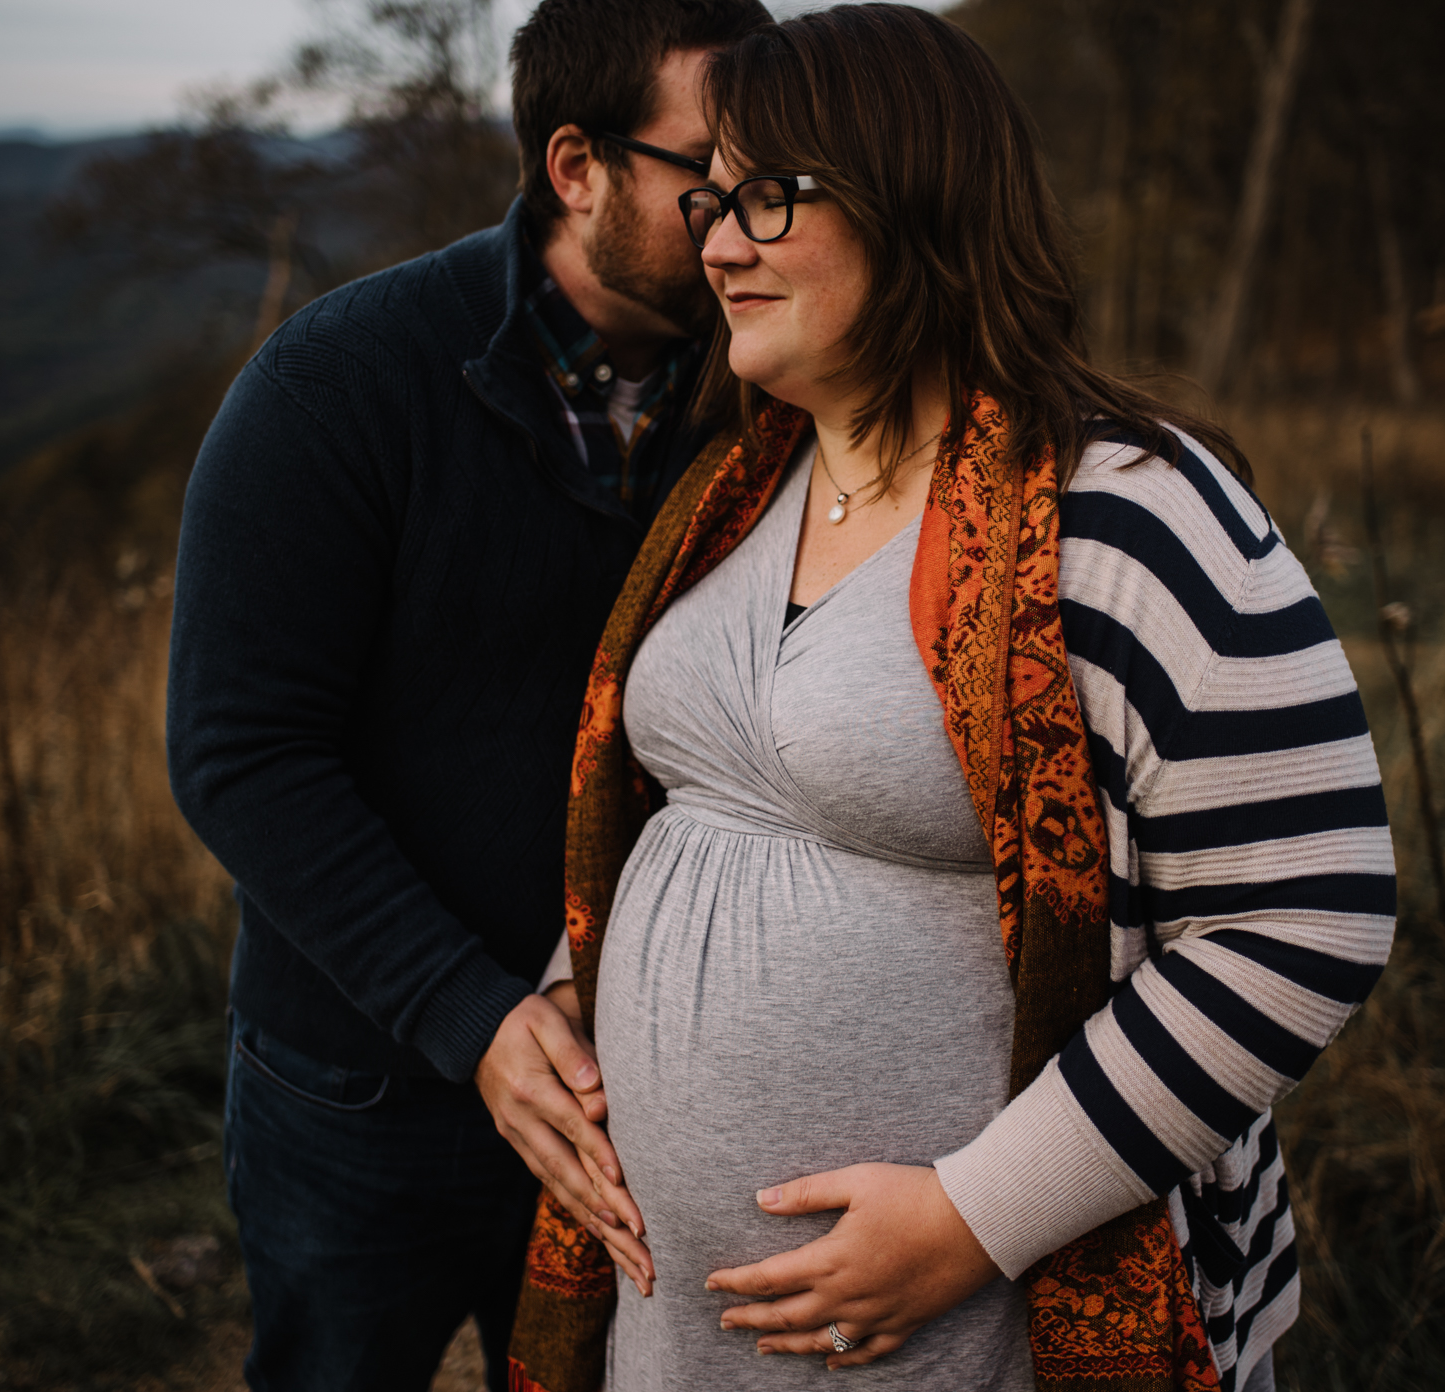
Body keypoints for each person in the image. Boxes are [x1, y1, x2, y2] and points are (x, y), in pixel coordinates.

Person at [502, 7, 1398, 1392]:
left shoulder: (1124, 509)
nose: (717, 242)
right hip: (680, 1332)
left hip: (975, 1335)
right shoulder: (734, 490)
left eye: (765, 198)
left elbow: (1304, 912)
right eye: (710, 198)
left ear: (908, 197)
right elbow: (689, 798)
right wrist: (580, 986)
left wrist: (975, 1219)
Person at [164, 2, 771, 1388]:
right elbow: (240, 754)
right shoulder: (337, 385)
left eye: (769, 177)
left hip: (646, 1085)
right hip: (359, 1083)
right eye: (708, 175)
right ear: (576, 166)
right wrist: (466, 1012)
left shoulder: (768, 390)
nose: (745, 219)